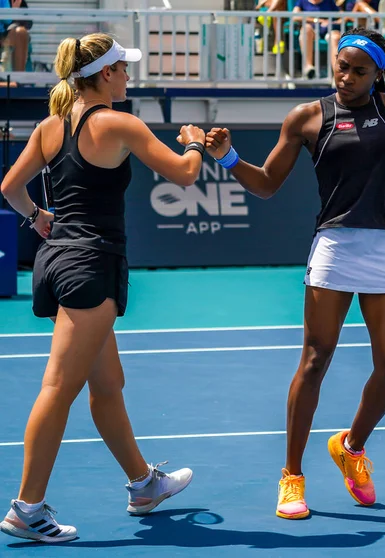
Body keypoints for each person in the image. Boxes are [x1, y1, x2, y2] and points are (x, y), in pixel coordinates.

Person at [205, 27, 385, 520]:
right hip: (336, 246)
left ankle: (351, 447)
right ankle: (292, 477)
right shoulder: (307, 118)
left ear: (378, 73)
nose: (346, 77)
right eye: (341, 67)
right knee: (316, 360)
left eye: (359, 71)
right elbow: (267, 185)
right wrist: (227, 158)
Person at [0, 33, 205, 543]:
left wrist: (39, 218)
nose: (128, 76)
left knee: (107, 385)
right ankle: (27, 509)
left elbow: (9, 188)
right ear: (106, 74)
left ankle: (143, 484)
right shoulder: (118, 122)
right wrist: (197, 143)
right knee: (58, 388)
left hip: (55, 262)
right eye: (123, 68)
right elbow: (183, 174)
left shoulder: (51, 126)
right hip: (89, 267)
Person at [293, 0, 342, 79]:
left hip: (329, 30)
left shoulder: (329, 2)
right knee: (306, 29)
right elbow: (295, 16)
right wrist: (316, 20)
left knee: (335, 37)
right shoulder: (302, 1)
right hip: (313, 31)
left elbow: (342, 16)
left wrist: (333, 22)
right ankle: (308, 67)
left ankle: (337, 74)